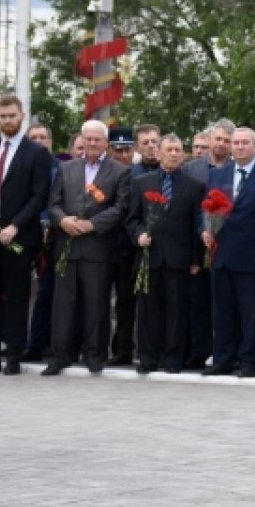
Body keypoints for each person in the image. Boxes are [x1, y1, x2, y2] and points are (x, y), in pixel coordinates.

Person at [0, 95, 53, 376]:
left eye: (11, 116)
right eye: (2, 116)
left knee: (17, 296)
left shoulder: (36, 153)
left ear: (22, 115)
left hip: (18, 235)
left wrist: (15, 226)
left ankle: (14, 356)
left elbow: (39, 195)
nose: (7, 121)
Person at [41, 120, 131, 376]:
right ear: (82, 140)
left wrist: (92, 224)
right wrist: (63, 220)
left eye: (97, 140)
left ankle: (94, 355)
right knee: (63, 304)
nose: (92, 144)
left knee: (97, 304)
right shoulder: (66, 168)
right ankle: (60, 356)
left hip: (97, 247)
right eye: (88, 139)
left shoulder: (119, 171)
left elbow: (120, 208)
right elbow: (54, 202)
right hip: (66, 245)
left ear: (106, 143)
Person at [203, 128, 255, 378]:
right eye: (235, 143)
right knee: (222, 311)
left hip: (251, 256)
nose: (238, 147)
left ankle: (248, 360)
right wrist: (204, 231)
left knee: (250, 312)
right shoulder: (217, 175)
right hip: (221, 253)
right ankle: (222, 358)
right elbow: (203, 209)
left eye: (244, 143)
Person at [125, 134, 204, 374]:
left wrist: (196, 260)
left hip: (179, 258)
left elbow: (196, 225)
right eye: (168, 149)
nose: (173, 154)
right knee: (148, 310)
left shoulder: (194, 186)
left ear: (183, 155)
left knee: (176, 310)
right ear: (158, 153)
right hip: (150, 257)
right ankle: (148, 357)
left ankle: (172, 358)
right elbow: (132, 219)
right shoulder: (141, 182)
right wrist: (138, 235)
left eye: (178, 150)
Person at [183, 119, 234, 370]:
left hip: (228, 246)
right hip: (197, 247)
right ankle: (198, 351)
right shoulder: (191, 169)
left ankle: (224, 351)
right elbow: (187, 209)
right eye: (218, 139)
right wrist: (203, 231)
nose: (221, 144)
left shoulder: (238, 169)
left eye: (227, 140)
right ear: (210, 139)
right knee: (198, 302)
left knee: (224, 304)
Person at [24, 122, 60, 362]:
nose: (38, 141)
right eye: (33, 137)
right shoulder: (21, 167)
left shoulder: (62, 169)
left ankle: (39, 343)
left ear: (50, 141)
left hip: (52, 238)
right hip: (23, 234)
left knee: (48, 292)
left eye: (42, 137)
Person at [108, 127, 140, 365]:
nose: (122, 154)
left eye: (126, 149)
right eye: (117, 149)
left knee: (125, 302)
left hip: (129, 248)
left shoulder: (140, 175)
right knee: (98, 301)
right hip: (102, 244)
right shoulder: (102, 173)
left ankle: (123, 348)